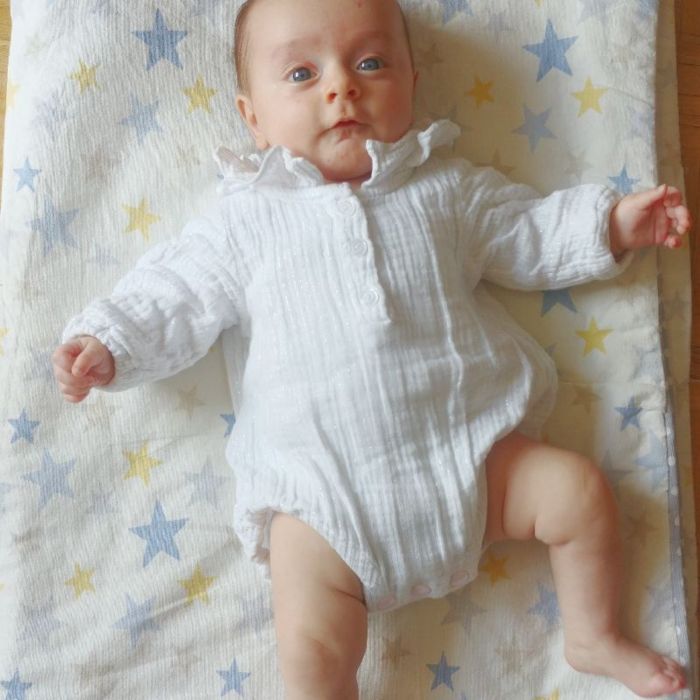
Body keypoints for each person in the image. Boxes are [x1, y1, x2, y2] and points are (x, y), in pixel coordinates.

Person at [52, 0, 692, 697]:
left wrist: (611, 225)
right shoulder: (242, 224)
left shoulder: (445, 190)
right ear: (252, 117)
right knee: (310, 645)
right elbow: (172, 292)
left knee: (579, 493)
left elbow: (529, 233)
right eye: (302, 73)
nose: (341, 87)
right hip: (325, 497)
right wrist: (108, 342)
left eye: (370, 62)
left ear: (412, 83)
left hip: (471, 456)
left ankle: (595, 635)